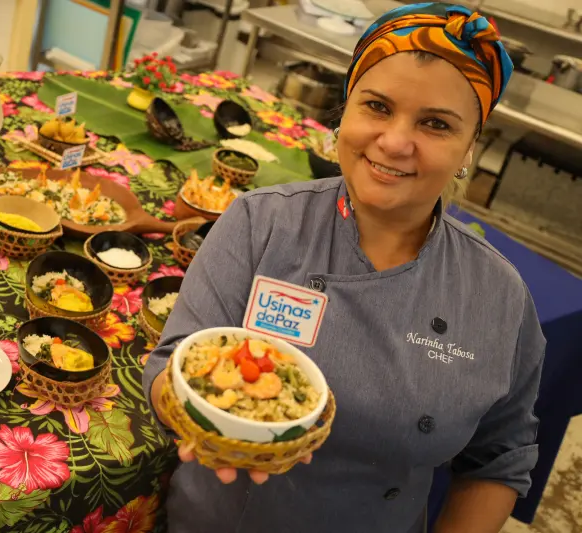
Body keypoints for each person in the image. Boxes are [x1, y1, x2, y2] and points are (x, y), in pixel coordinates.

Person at [142, 3, 546, 532]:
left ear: (471, 146)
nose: (396, 141)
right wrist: (197, 417)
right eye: (377, 106)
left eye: (435, 124)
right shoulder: (259, 223)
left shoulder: (498, 296)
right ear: (345, 110)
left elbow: (499, 460)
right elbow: (171, 362)